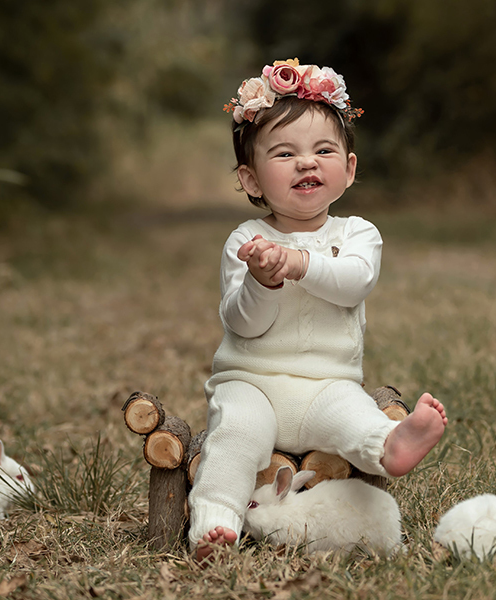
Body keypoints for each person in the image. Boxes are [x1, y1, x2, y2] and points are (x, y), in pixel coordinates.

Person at [189, 59, 448, 561]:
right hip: (253, 383)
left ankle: (391, 444)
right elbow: (242, 323)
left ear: (349, 169)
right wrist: (262, 281)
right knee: (234, 437)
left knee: (353, 416)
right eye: (284, 153)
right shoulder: (247, 240)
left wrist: (299, 263)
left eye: (324, 150)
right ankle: (215, 522)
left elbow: (353, 285)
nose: (307, 163)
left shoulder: (357, 234)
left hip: (328, 385)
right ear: (252, 179)